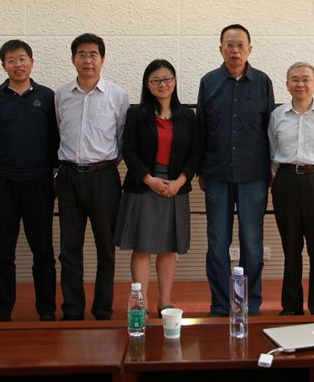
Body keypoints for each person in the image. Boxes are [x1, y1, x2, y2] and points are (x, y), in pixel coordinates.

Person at [196, 24, 275, 317]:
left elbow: (271, 129)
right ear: (220, 49)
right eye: (229, 45)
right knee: (217, 243)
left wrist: (271, 169)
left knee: (252, 244)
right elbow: (201, 128)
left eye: (240, 45)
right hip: (216, 174)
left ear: (250, 49)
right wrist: (201, 170)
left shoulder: (263, 82)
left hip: (254, 175)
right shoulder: (209, 82)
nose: (235, 50)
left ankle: (248, 303)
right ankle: (220, 304)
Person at [0, 39, 59, 322]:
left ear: (32, 62)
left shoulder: (48, 97)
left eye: (22, 59)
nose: (18, 64)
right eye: (11, 60)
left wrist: (54, 176)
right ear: (4, 65)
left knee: (43, 252)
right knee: (3, 253)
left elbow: (56, 140)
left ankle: (47, 310)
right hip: (1, 184)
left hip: (39, 184)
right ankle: (1, 313)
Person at [114, 59, 200, 316]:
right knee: (142, 247)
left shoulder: (188, 116)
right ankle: (140, 304)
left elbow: (195, 154)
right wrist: (149, 179)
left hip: (175, 186)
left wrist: (180, 181)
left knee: (168, 248)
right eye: (156, 80)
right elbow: (129, 151)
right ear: (147, 84)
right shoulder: (136, 115)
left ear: (174, 81)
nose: (163, 84)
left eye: (167, 79)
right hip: (144, 185)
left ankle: (165, 302)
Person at [55, 33, 130, 320]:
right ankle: (73, 310)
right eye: (82, 54)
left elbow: (121, 139)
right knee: (69, 249)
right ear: (73, 59)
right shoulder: (61, 95)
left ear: (103, 59)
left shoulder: (117, 96)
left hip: (104, 177)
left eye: (93, 54)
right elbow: (58, 132)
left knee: (105, 249)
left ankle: (102, 309)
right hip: (68, 177)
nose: (88, 60)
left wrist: (104, 164)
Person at [268, 62, 314, 316]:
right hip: (286, 182)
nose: (300, 84)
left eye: (306, 79)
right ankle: (291, 306)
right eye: (295, 79)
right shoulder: (277, 115)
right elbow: (272, 151)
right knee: (290, 248)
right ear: (287, 84)